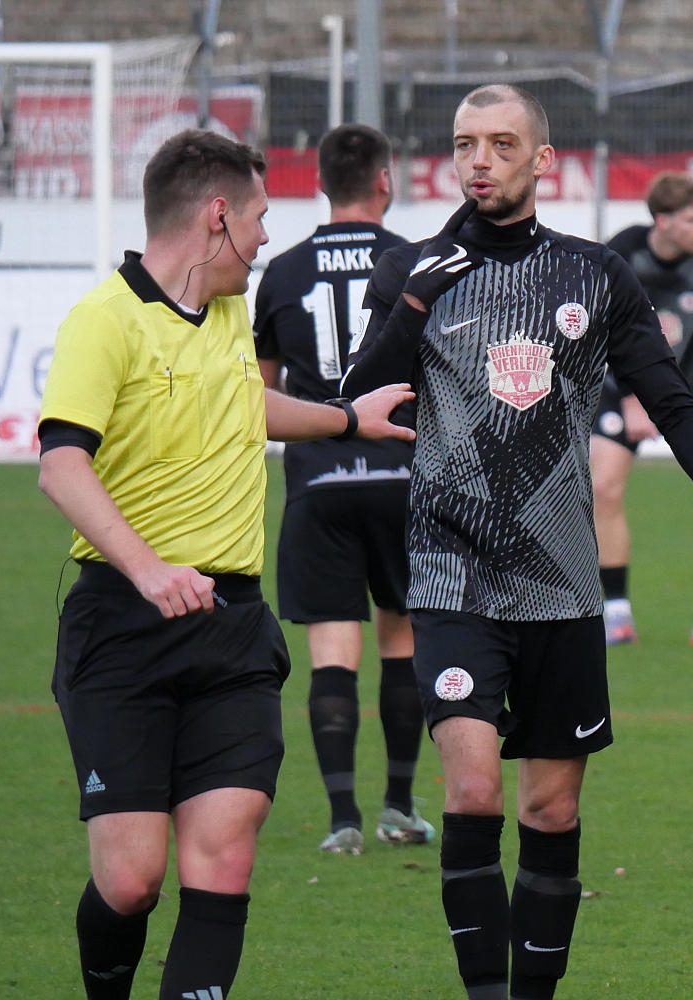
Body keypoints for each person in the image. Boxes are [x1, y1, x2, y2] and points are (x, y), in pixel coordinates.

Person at [339, 84, 693, 1000]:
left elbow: (665, 391)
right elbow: (357, 404)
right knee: (474, 793)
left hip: (561, 581)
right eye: (465, 145)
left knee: (550, 805)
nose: (479, 160)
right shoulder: (417, 268)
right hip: (452, 572)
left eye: (500, 144)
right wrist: (411, 308)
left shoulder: (592, 273)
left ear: (544, 161)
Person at [37, 129, 414, 1000]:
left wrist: (347, 419)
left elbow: (244, 403)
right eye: (259, 216)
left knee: (226, 854)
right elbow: (61, 462)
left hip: (232, 629)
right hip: (123, 627)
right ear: (218, 218)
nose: (268, 235)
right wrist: (148, 570)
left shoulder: (230, 308)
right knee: (132, 880)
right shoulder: (105, 319)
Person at [253, 123, 433, 855]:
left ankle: (341, 821)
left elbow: (259, 399)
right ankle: (398, 807)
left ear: (322, 182)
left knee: (334, 652)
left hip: (321, 482)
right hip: (405, 475)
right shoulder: (418, 264)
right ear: (385, 179)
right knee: (402, 639)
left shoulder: (283, 272)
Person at [589, 171, 693, 646]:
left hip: (691, 387)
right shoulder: (622, 253)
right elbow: (601, 328)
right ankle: (616, 615)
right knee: (604, 488)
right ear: (663, 220)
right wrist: (634, 395)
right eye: (692, 219)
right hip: (621, 386)